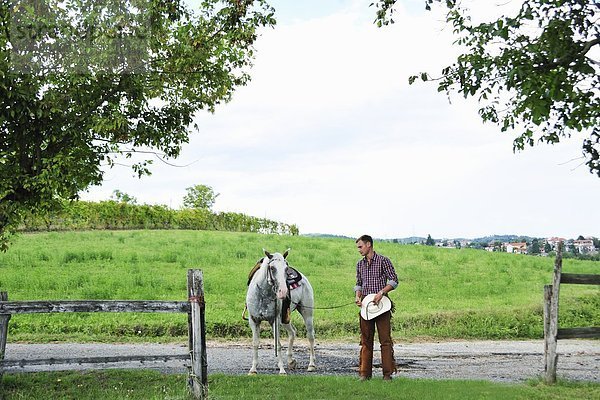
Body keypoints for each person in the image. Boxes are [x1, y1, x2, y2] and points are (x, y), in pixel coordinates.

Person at [354, 234, 399, 381]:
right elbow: (359, 283)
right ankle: (364, 374)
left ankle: (387, 374)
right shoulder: (359, 264)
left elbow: (394, 280)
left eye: (360, 246)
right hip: (367, 306)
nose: (359, 250)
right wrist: (357, 296)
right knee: (366, 340)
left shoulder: (383, 261)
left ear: (368, 245)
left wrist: (382, 292)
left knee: (385, 341)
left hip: (382, 306)